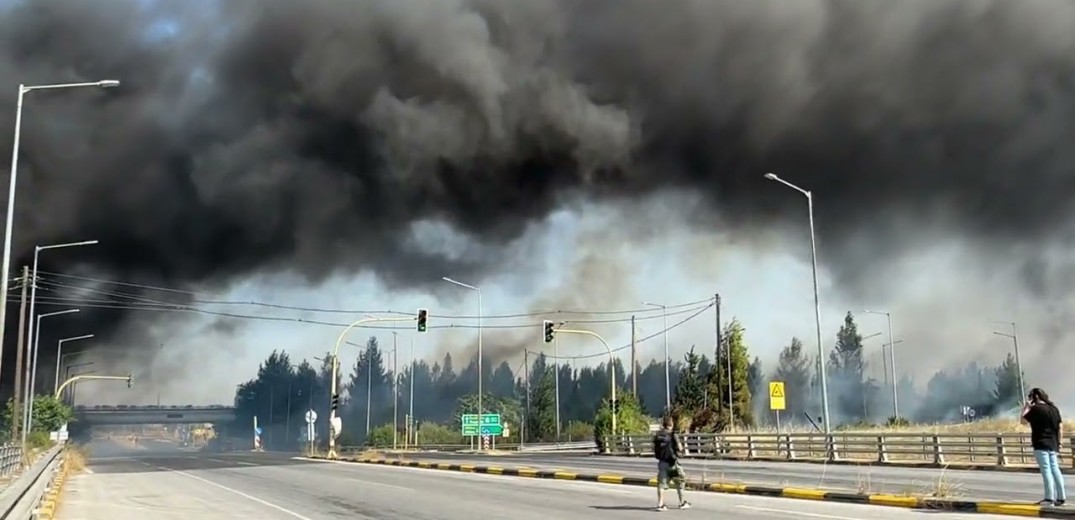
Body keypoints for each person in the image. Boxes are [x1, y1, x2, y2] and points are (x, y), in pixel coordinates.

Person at [1022, 387, 1066, 506]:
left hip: (1040, 443)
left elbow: (1023, 421)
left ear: (1034, 397)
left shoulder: (1036, 409)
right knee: (1055, 469)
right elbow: (1060, 427)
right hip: (1053, 443)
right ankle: (1061, 497)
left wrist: (1026, 407)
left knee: (1046, 470)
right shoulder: (1054, 409)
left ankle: (1049, 498)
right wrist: (1060, 443)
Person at [653, 416, 691, 511]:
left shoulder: (657, 435)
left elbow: (654, 448)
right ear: (671, 424)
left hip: (662, 463)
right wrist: (681, 452)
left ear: (663, 424)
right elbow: (680, 447)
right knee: (680, 480)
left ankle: (660, 504)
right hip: (673, 463)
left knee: (661, 484)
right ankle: (682, 502)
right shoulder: (673, 434)